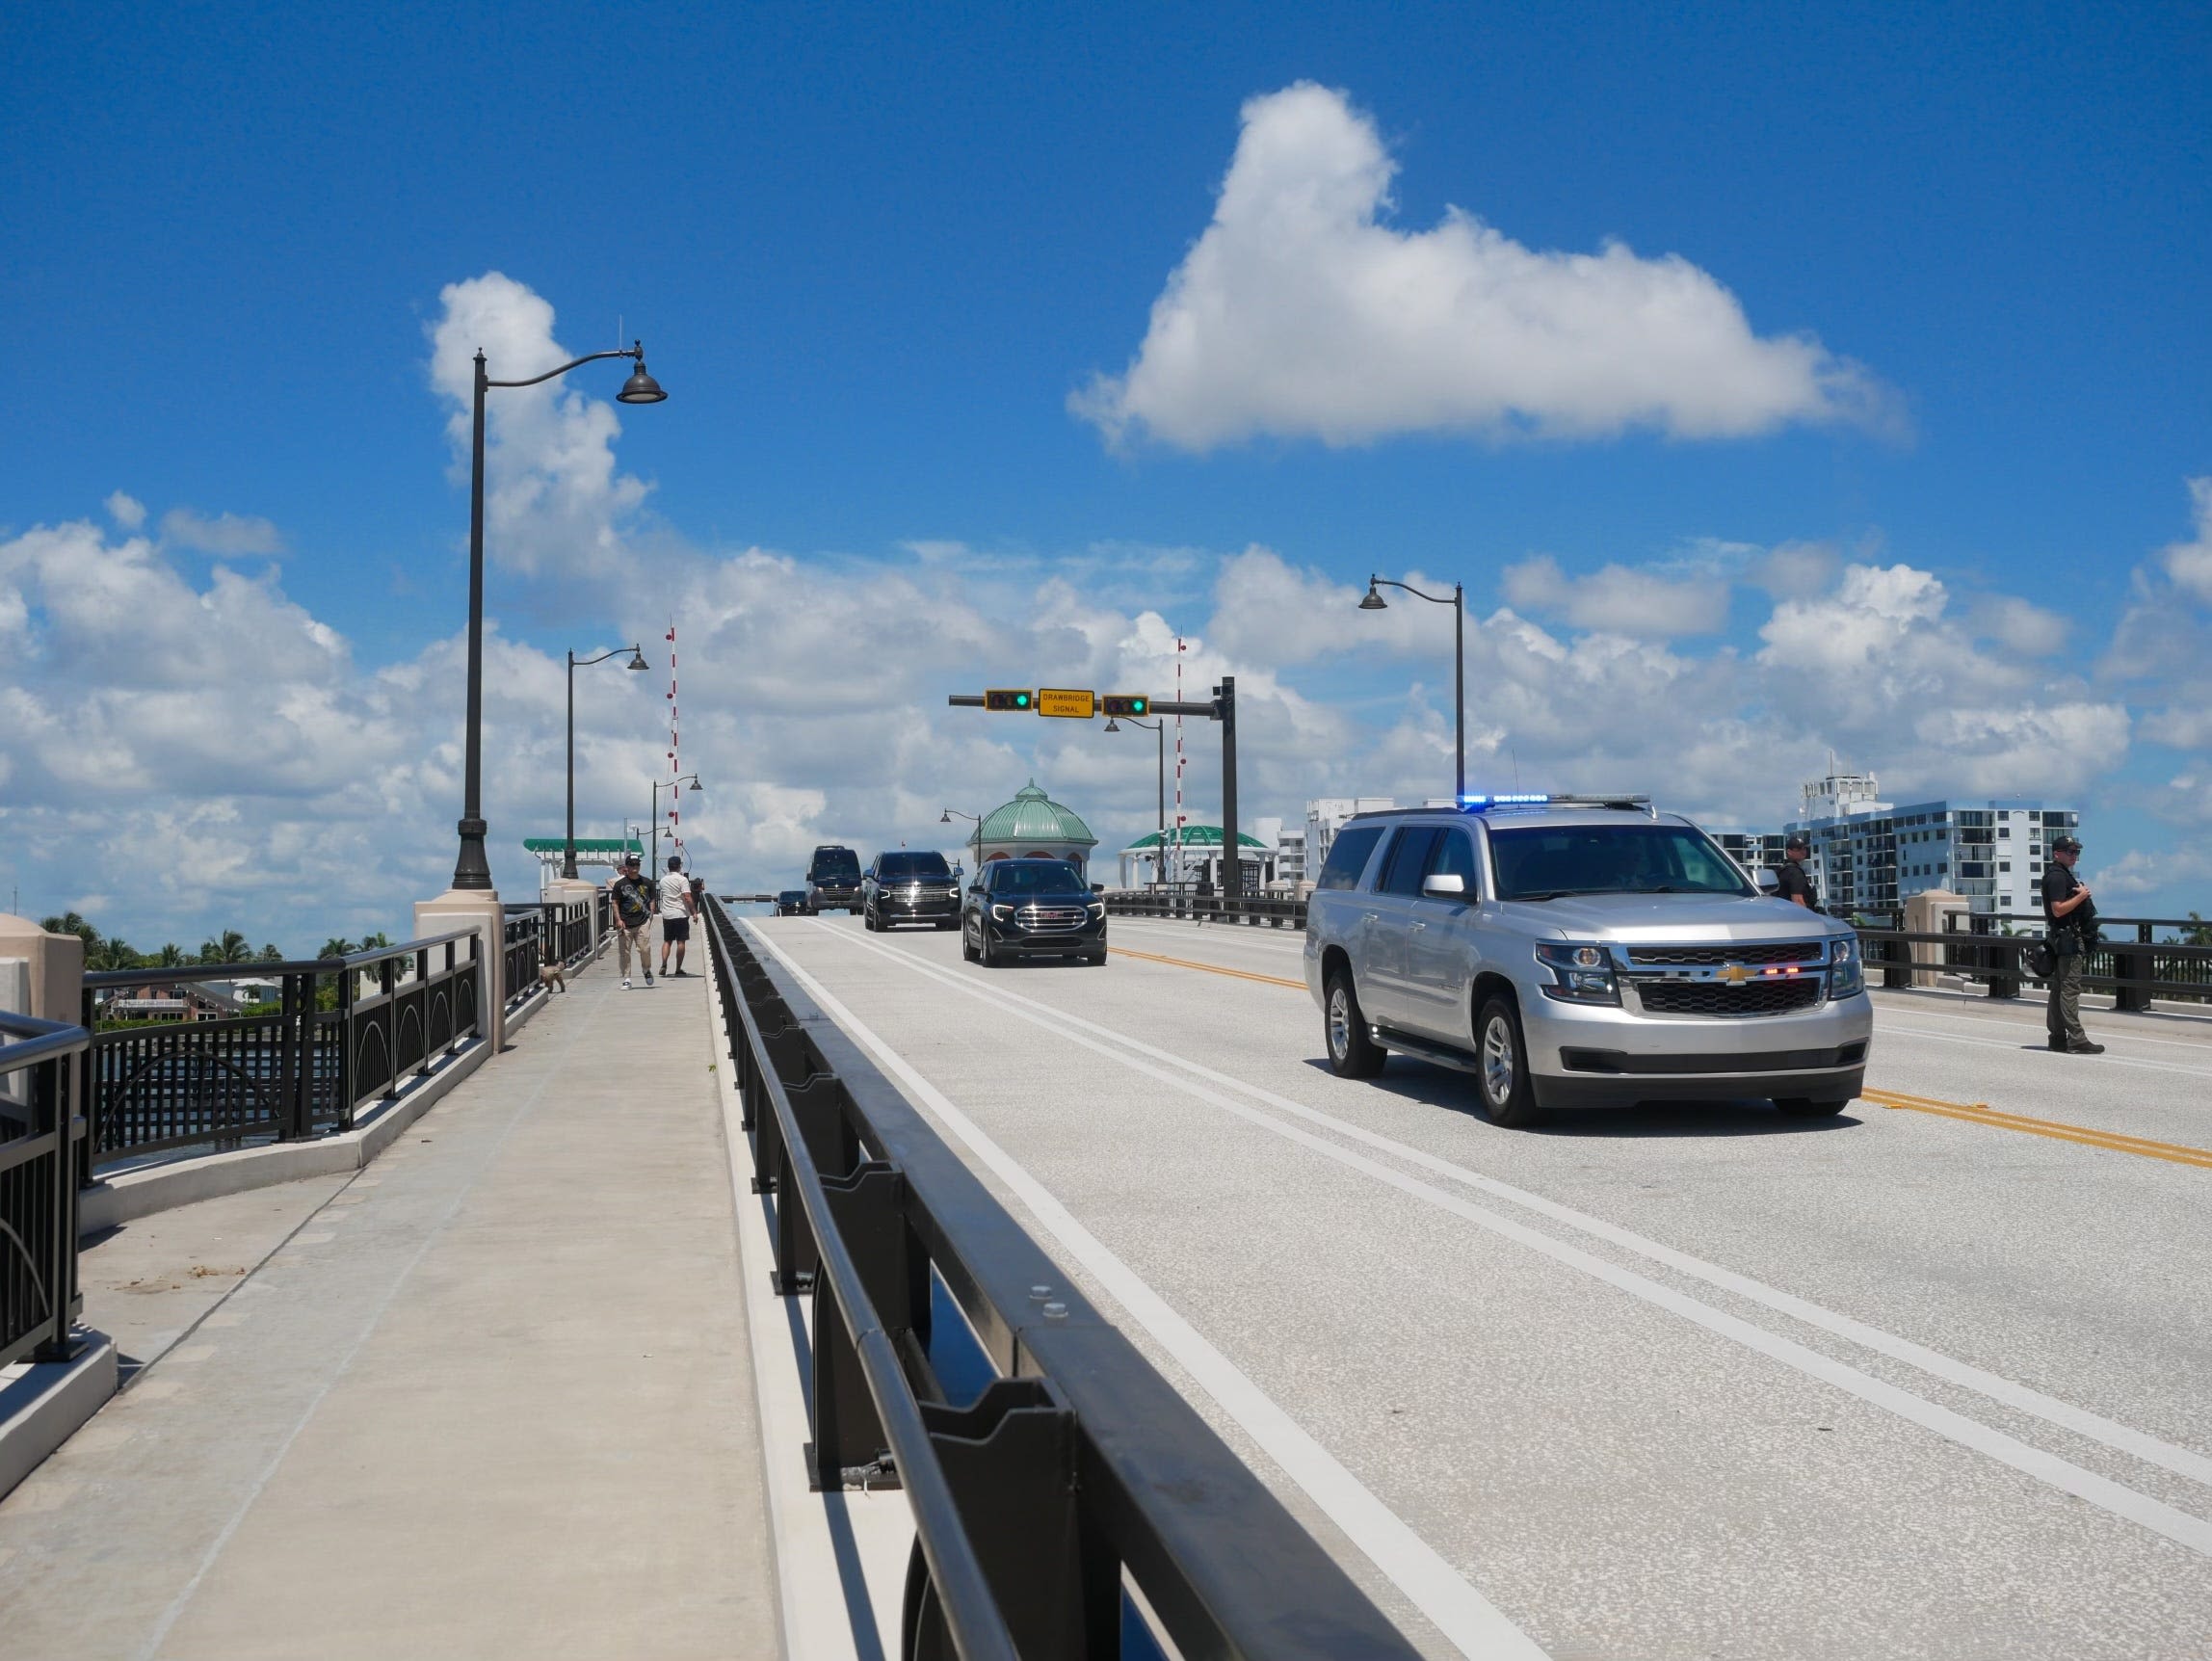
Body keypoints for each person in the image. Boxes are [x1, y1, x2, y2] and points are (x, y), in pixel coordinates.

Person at [2041, 834, 2104, 1055]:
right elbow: (2058, 909)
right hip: (2068, 939)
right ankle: (2076, 1039)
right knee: (2069, 990)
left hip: (2061, 938)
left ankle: (2057, 1038)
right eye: (2070, 852)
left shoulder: (2058, 874)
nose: (2074, 856)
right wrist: (2082, 896)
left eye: (2076, 852)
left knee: (2059, 989)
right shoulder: (2057, 877)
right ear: (2057, 853)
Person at [607, 854, 656, 989]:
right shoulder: (620, 884)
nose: (635, 867)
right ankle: (627, 978)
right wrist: (618, 919)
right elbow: (615, 902)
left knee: (645, 949)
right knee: (624, 952)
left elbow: (652, 899)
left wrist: (651, 914)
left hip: (643, 920)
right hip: (625, 922)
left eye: (637, 864)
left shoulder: (647, 882)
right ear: (627, 867)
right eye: (632, 865)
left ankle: (646, 969)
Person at [658, 854, 698, 978]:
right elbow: (687, 897)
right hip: (680, 914)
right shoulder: (682, 880)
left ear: (669, 867)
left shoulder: (663, 880)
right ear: (679, 866)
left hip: (667, 914)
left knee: (667, 941)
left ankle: (664, 964)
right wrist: (694, 912)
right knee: (681, 941)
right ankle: (678, 968)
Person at [1775, 835, 1819, 910]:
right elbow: (1798, 900)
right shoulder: (1794, 872)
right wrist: (1809, 918)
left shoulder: (1784, 869)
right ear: (1789, 852)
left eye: (1804, 848)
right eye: (1798, 849)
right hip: (1796, 916)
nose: (1803, 851)